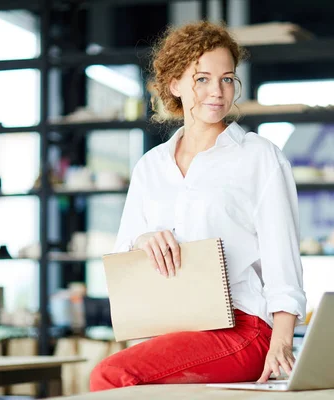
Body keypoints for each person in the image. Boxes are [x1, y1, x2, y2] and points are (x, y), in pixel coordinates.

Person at [89, 20, 306, 391]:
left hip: (244, 328)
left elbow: (283, 265)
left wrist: (281, 343)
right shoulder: (151, 166)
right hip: (173, 327)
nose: (217, 91)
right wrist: (144, 239)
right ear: (174, 84)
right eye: (202, 78)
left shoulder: (259, 157)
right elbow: (121, 256)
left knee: (109, 376)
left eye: (227, 78)